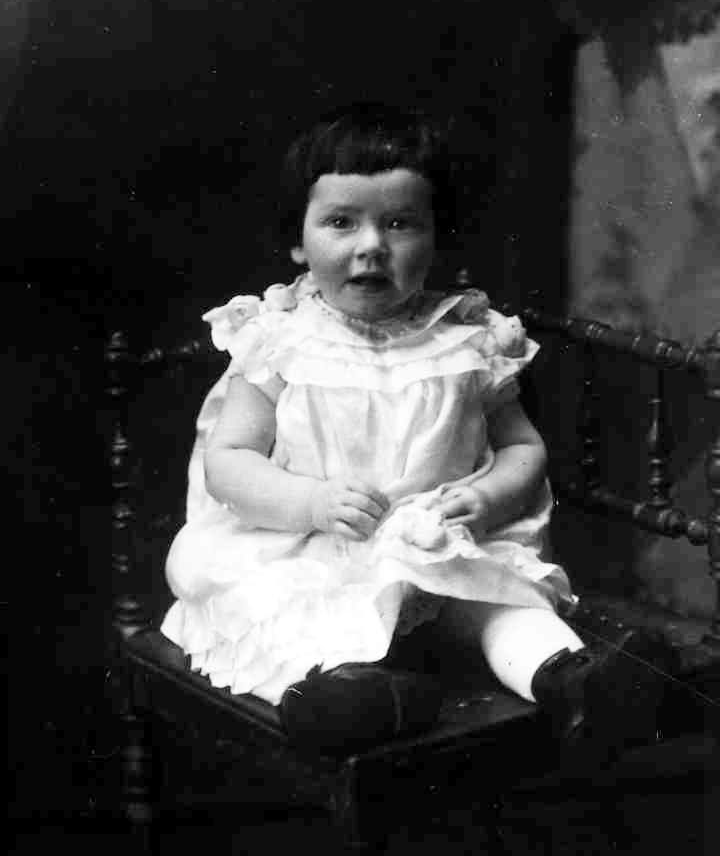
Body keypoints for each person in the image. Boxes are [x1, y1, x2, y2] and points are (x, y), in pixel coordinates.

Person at [161, 102, 662, 759]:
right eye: (341, 222)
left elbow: (521, 447)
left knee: (499, 605)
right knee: (298, 618)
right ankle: (353, 695)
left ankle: (572, 683)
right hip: (315, 549)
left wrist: (486, 497)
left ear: (436, 237)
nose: (371, 245)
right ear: (298, 240)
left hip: (438, 546)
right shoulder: (279, 341)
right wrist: (310, 502)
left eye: (399, 223)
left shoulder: (468, 340)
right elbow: (228, 461)